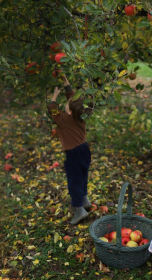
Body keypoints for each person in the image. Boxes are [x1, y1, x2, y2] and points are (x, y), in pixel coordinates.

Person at [47, 75, 93, 224]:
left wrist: (54, 96)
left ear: (70, 111)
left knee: (74, 181)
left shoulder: (65, 120)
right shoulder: (81, 115)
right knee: (82, 175)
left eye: (67, 104)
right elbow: (73, 98)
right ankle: (84, 199)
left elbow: (53, 111)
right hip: (84, 150)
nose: (67, 102)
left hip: (73, 154)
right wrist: (66, 83)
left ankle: (78, 209)